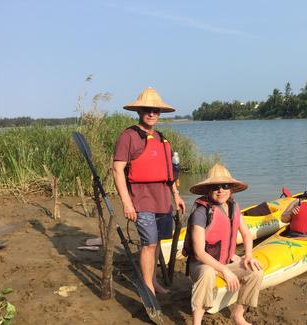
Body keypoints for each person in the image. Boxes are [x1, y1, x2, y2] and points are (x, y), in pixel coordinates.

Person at [113, 87, 186, 296]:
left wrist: (177, 195)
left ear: (160, 112)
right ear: (139, 111)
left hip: (163, 201)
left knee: (156, 245)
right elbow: (117, 170)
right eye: (147, 109)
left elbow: (169, 172)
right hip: (141, 201)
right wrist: (127, 204)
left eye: (155, 110)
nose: (152, 113)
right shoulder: (129, 136)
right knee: (148, 244)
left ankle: (153, 281)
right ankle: (147, 289)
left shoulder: (162, 138)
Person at [182, 163, 263, 325]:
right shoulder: (201, 212)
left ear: (231, 188)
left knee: (256, 272)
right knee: (207, 273)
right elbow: (199, 253)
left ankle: (238, 315)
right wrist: (225, 270)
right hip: (201, 264)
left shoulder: (234, 207)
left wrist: (248, 256)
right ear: (208, 190)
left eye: (225, 186)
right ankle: (196, 322)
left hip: (224, 261)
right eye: (215, 186)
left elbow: (246, 234)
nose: (220, 190)